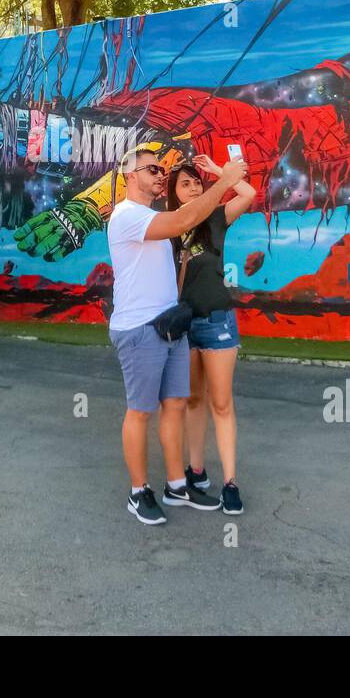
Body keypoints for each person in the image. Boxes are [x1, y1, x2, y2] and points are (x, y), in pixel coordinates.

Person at [107, 146, 246, 525]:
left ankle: (175, 485)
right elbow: (187, 218)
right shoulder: (126, 216)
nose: (159, 174)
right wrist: (225, 182)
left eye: (161, 169)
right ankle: (139, 492)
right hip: (139, 329)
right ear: (129, 175)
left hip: (171, 326)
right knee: (140, 412)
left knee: (174, 406)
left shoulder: (150, 215)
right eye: (152, 168)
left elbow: (186, 220)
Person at [165, 155, 256, 515]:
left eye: (196, 182)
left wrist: (221, 173)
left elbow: (247, 193)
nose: (193, 188)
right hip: (182, 325)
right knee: (192, 401)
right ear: (173, 193)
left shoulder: (216, 219)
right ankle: (196, 471)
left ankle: (230, 482)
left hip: (217, 321)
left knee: (221, 403)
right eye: (184, 183)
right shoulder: (168, 227)